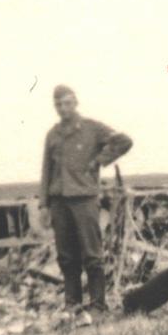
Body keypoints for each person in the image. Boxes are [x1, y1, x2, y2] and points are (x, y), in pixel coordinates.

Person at [39, 85, 133, 315]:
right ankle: (72, 304)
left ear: (75, 102)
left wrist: (99, 160)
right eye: (59, 104)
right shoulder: (53, 134)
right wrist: (44, 204)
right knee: (66, 256)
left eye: (67, 103)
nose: (63, 108)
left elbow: (124, 141)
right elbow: (46, 170)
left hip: (84, 199)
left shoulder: (92, 129)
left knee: (92, 254)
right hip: (59, 201)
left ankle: (98, 305)